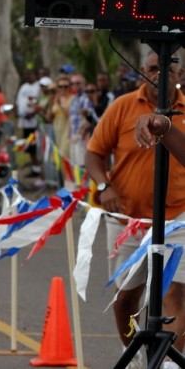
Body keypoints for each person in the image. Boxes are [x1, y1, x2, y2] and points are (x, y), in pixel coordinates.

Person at [85, 51, 185, 369]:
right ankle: (136, 355)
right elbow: (94, 154)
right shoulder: (122, 106)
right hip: (128, 220)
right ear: (141, 71)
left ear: (180, 72)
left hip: (179, 218)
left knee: (176, 295)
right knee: (126, 299)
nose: (161, 74)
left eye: (169, 68)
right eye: (154, 69)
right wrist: (105, 187)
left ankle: (167, 362)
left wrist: (165, 127)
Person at [15, 68, 41, 177]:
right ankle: (34, 168)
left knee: (36, 146)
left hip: (34, 122)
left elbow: (40, 104)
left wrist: (32, 114)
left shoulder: (38, 87)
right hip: (24, 122)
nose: (28, 76)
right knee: (29, 146)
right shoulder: (23, 87)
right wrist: (17, 112)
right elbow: (18, 102)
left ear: (35, 75)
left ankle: (40, 169)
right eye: (26, 74)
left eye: (30, 74)